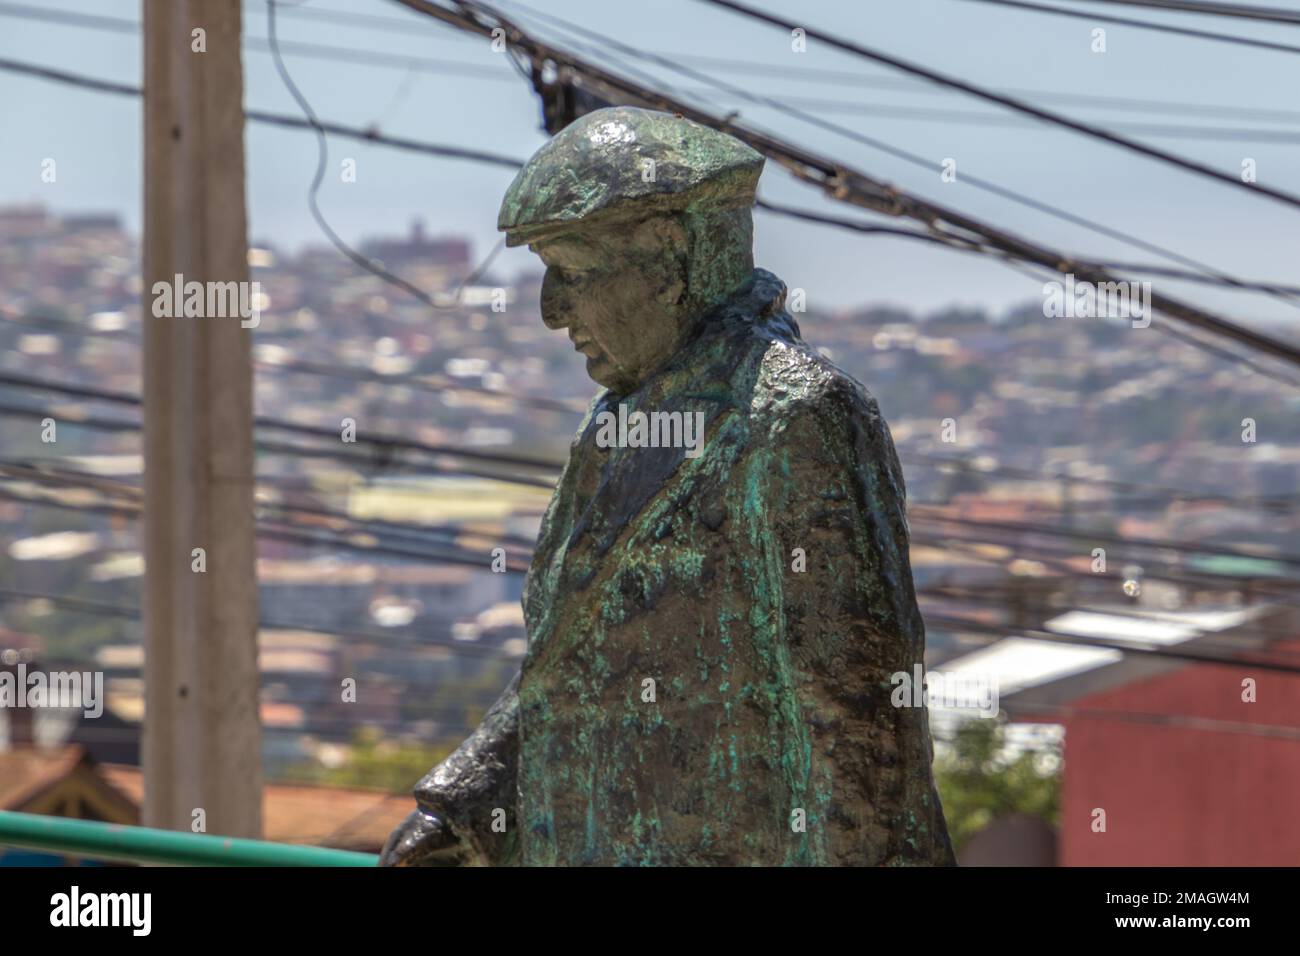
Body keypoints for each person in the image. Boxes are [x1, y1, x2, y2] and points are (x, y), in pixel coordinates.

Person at [381, 106, 955, 866]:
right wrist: (470, 806)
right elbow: (578, 667)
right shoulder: (619, 420)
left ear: (669, 261)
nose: (552, 313)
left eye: (573, 274)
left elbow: (857, 723)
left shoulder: (793, 418)